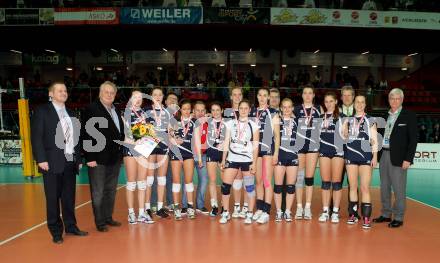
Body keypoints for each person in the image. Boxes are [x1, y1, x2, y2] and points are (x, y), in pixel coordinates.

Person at [31, 82, 88, 244]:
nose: (64, 93)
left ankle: (71, 226)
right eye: (60, 90)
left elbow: (74, 138)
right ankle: (56, 231)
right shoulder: (42, 111)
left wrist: (78, 159)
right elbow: (36, 137)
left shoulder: (70, 112)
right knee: (52, 199)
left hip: (70, 161)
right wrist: (41, 159)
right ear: (51, 94)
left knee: (69, 198)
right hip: (51, 161)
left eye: (65, 90)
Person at [82, 81, 124, 232]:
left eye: (112, 92)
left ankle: (108, 217)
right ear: (100, 93)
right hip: (98, 158)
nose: (109, 95)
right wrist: (89, 157)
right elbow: (86, 133)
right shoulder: (91, 109)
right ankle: (100, 222)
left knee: (110, 190)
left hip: (115, 157)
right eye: (106, 92)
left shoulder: (116, 110)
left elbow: (119, 133)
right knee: (98, 191)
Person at [374, 88, 417, 228]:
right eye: (392, 98)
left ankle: (398, 216)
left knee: (399, 189)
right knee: (384, 187)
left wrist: (408, 159)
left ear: (402, 100)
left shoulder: (409, 115)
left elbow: (413, 140)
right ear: (389, 100)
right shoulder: (383, 116)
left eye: (397, 98)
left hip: (399, 157)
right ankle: (386, 214)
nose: (394, 101)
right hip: (384, 155)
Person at [219, 100, 259, 224]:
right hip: (232, 159)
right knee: (225, 187)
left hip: (247, 160)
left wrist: (254, 163)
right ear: (238, 109)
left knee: (250, 188)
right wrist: (223, 159)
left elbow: (255, 145)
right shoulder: (230, 123)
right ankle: (225, 212)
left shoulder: (254, 125)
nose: (243, 110)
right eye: (241, 108)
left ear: (249, 110)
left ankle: (249, 213)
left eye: (245, 108)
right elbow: (226, 142)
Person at [343, 95, 378, 229]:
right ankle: (353, 214)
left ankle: (366, 217)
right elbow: (344, 137)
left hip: (365, 157)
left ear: (365, 104)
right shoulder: (349, 120)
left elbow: (374, 140)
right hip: (351, 156)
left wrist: (375, 157)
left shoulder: (371, 120)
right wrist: (345, 130)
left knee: (364, 187)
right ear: (354, 104)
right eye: (357, 102)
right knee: (352, 187)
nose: (359, 104)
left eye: (362, 102)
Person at [122, 89, 154, 224]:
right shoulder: (125, 113)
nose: (138, 99)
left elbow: (149, 134)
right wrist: (135, 141)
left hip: (143, 151)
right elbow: (125, 136)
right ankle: (131, 213)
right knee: (131, 182)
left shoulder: (145, 114)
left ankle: (141, 213)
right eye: (135, 97)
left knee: (142, 183)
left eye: (140, 97)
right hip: (130, 150)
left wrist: (148, 139)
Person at [250, 88, 280, 224]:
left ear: (268, 98)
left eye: (265, 96)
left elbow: (278, 136)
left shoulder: (273, 112)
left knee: (267, 181)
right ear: (257, 97)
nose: (262, 98)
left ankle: (267, 211)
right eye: (260, 95)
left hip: (268, 150)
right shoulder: (252, 112)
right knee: (259, 182)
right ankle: (260, 209)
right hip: (256, 151)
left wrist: (276, 154)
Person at [169, 99, 202, 220]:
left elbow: (197, 140)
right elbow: (169, 136)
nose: (187, 111)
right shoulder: (174, 120)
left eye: (188, 109)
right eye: (184, 109)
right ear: (180, 110)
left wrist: (199, 157)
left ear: (191, 109)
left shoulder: (195, 122)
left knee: (189, 181)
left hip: (189, 154)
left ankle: (190, 207)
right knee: (176, 181)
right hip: (176, 153)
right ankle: (177, 208)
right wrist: (174, 141)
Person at [294, 85, 323, 220]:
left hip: (313, 147)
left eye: (310, 93)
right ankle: (299, 207)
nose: (307, 95)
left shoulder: (319, 109)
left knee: (309, 178)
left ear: (313, 95)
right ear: (302, 95)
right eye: (305, 93)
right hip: (299, 147)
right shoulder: (296, 109)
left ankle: (307, 207)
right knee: (299, 178)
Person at [144, 87, 171, 219]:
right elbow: (141, 131)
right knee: (149, 179)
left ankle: (160, 207)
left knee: (161, 178)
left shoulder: (167, 112)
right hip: (150, 146)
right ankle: (147, 207)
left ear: (163, 97)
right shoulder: (146, 111)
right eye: (155, 95)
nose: (158, 97)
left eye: (160, 95)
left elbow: (171, 130)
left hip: (163, 146)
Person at [318, 92, 344, 223]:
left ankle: (335, 212)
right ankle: (325, 211)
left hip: (338, 153)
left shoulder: (342, 117)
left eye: (331, 101)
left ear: (336, 102)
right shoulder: (320, 117)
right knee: (325, 183)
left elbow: (346, 137)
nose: (328, 104)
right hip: (324, 151)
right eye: (326, 101)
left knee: (337, 183)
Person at [224, 87, 248, 219]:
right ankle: (237, 206)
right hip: (232, 152)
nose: (237, 97)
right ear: (231, 97)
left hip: (246, 152)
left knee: (246, 180)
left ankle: (245, 207)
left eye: (239, 94)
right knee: (237, 180)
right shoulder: (226, 112)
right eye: (235, 95)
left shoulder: (247, 111)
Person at [274, 98, 298, 222]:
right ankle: (279, 211)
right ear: (281, 108)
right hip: (280, 156)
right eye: (284, 107)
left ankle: (288, 211)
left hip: (293, 157)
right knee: (278, 186)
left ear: (293, 108)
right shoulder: (277, 120)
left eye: (289, 107)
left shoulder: (298, 121)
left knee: (290, 186)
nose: (287, 109)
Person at [206, 102, 226, 216]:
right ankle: (214, 206)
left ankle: (224, 205)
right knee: (212, 180)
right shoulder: (207, 121)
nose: (215, 112)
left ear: (222, 110)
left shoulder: (228, 122)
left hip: (223, 154)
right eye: (213, 110)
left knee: (224, 181)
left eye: (218, 110)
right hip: (211, 152)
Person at [193, 101, 209, 215]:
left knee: (203, 180)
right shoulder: (188, 122)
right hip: (189, 155)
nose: (200, 113)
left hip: (203, 155)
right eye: (197, 110)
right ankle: (185, 206)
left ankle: (200, 205)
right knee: (187, 181)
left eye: (202, 110)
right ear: (193, 112)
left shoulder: (209, 123)